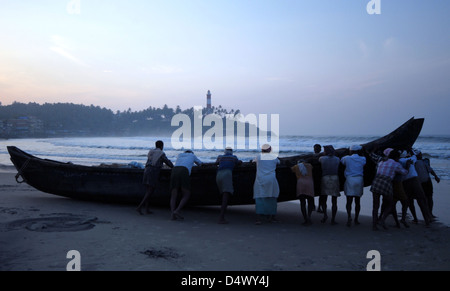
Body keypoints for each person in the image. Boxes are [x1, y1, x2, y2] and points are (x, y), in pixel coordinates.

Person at [370, 148, 410, 231]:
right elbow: (405, 172)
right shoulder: (396, 164)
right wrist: (408, 166)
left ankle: (374, 226)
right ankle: (382, 219)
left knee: (375, 206)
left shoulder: (381, 161)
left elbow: (373, 158)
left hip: (376, 182)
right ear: (396, 157)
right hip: (386, 183)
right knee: (391, 204)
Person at [137, 140, 174, 215]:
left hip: (146, 170)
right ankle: (139, 207)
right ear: (162, 146)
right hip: (153, 172)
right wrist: (174, 167)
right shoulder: (161, 153)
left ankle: (147, 209)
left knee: (148, 191)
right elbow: (168, 162)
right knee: (150, 191)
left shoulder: (151, 151)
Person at [399, 149, 433, 226]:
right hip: (414, 181)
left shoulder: (399, 161)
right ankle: (427, 220)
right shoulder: (412, 159)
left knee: (407, 201)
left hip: (405, 183)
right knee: (421, 200)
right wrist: (410, 149)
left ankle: (404, 218)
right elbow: (415, 156)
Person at [170, 150, 203, 221]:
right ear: (191, 153)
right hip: (184, 171)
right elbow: (200, 164)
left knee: (173, 195)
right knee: (186, 194)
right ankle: (177, 210)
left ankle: (173, 215)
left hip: (174, 170)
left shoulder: (180, 155)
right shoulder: (192, 155)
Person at [253, 144, 280, 225]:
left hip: (260, 179)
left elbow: (253, 161)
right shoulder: (274, 157)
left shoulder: (258, 157)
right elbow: (279, 162)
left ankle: (258, 219)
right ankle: (272, 217)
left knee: (259, 198)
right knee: (272, 197)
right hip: (271, 179)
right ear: (270, 149)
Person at [215, 147, 242, 224]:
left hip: (218, 174)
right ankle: (221, 218)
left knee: (222, 194)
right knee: (225, 196)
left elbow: (216, 163)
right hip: (227, 174)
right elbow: (239, 163)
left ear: (225, 152)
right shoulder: (233, 157)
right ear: (232, 152)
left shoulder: (220, 157)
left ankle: (221, 216)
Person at [340, 145, 366, 227]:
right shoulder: (363, 159)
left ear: (350, 151)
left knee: (349, 200)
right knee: (357, 201)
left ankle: (349, 217)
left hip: (350, 179)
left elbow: (342, 161)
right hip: (359, 179)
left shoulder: (346, 158)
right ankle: (356, 219)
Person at [319, 145, 341, 225]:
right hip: (335, 178)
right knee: (334, 200)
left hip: (325, 178)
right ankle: (333, 219)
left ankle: (325, 215)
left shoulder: (322, 158)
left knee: (324, 198)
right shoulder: (337, 159)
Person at [415, 150, 440, 218]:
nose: (421, 155)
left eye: (420, 154)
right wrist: (436, 177)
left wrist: (436, 176)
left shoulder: (423, 161)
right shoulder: (414, 162)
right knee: (426, 198)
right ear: (417, 155)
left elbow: (430, 170)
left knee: (429, 198)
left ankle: (430, 213)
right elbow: (431, 170)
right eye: (419, 154)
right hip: (422, 182)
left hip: (426, 181)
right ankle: (428, 213)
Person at [291, 160, 315, 225]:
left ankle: (305, 219)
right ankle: (309, 216)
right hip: (310, 183)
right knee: (310, 201)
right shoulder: (310, 166)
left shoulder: (296, 167)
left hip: (300, 183)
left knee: (302, 202)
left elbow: (291, 170)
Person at [312, 144, 323, 213]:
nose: (315, 150)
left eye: (316, 148)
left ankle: (317, 206)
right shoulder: (322, 157)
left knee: (319, 193)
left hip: (317, 176)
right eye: (315, 148)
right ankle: (316, 206)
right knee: (318, 193)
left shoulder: (312, 157)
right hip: (316, 176)